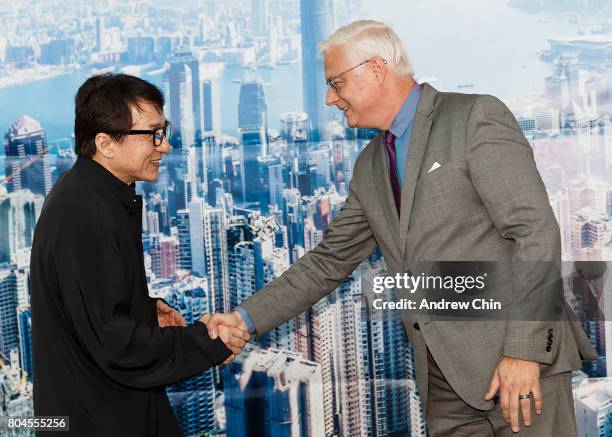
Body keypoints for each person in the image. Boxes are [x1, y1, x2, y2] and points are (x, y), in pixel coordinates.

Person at [204, 20, 598, 436]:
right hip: (440, 380)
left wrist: (524, 352)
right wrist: (243, 320)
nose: (329, 97)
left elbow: (535, 232)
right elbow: (328, 261)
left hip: (515, 366)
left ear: (376, 69)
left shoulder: (473, 117)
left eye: (337, 82)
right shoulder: (370, 164)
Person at [30, 73, 249, 436]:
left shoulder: (96, 196)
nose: (163, 146)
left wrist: (143, 311)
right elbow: (116, 345)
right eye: (152, 134)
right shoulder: (85, 215)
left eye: (163, 131)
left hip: (110, 410)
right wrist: (208, 344)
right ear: (106, 143)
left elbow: (86, 307)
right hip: (100, 420)